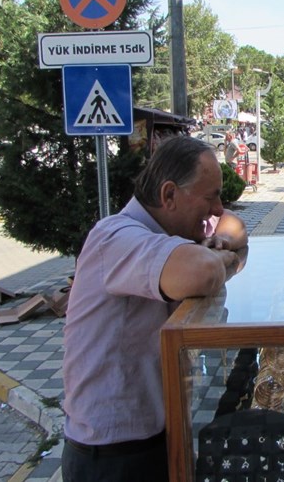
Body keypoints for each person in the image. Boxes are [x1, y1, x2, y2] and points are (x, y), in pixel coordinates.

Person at [62, 136, 249, 482]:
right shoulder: (115, 236)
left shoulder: (172, 225)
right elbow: (202, 272)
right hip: (115, 458)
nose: (218, 207)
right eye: (210, 197)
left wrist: (218, 245)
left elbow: (235, 226)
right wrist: (219, 260)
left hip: (158, 440)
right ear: (169, 195)